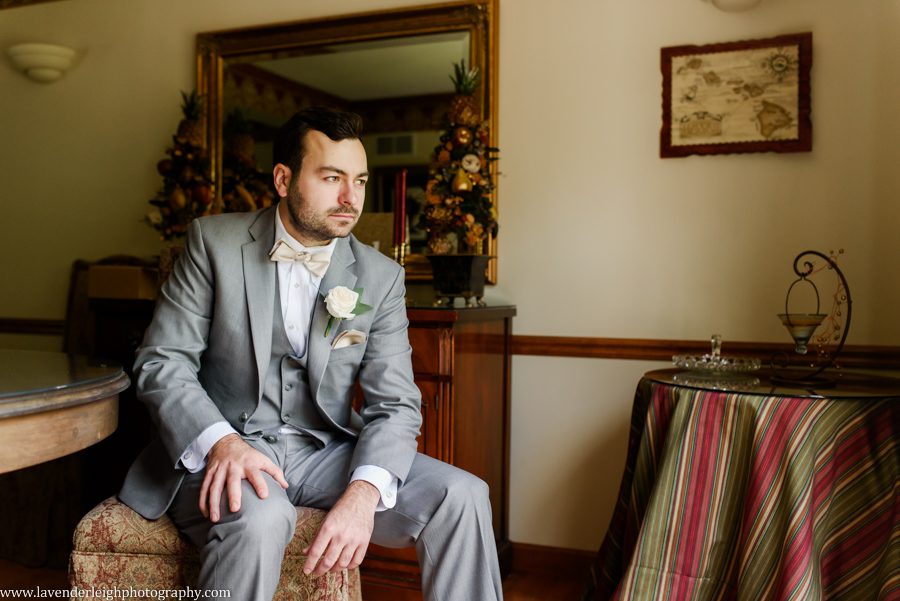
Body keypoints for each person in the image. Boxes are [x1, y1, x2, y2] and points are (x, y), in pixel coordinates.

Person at [119, 106, 503, 601]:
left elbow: (396, 405)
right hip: (228, 444)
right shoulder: (213, 243)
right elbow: (161, 362)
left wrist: (363, 496)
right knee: (261, 516)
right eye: (331, 178)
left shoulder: (380, 277)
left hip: (326, 452)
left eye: (360, 181)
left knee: (464, 496)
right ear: (284, 179)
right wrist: (222, 443)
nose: (350, 198)